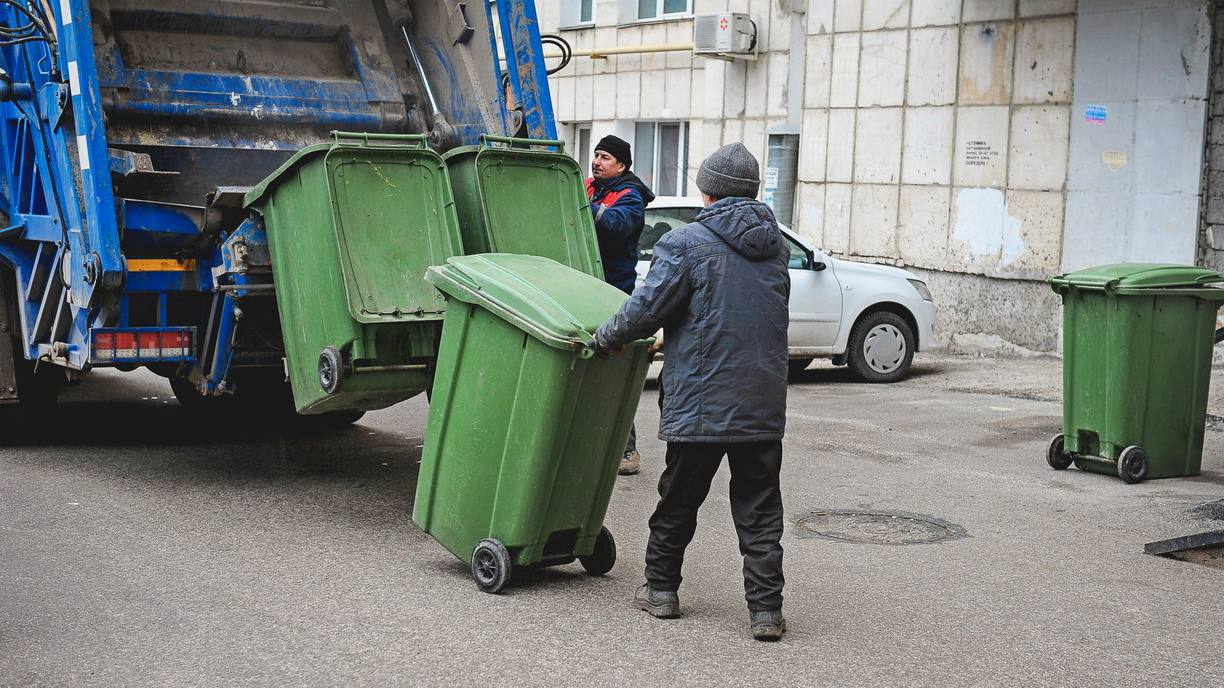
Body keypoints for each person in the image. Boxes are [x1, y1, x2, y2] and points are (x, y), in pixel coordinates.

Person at [593, 143, 790, 641]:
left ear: (707, 191)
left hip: (701, 401)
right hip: (761, 401)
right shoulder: (776, 247)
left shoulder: (686, 243)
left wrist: (605, 337)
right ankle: (766, 611)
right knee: (761, 510)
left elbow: (647, 308)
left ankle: (661, 590)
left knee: (679, 500)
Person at [585, 134, 655, 476]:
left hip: (612, 296)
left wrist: (584, 206)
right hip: (585, 288)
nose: (596, 162)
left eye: (604, 157)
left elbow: (615, 225)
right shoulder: (589, 187)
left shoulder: (630, 196)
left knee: (613, 373)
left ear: (622, 165)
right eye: (595, 155)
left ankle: (627, 451)